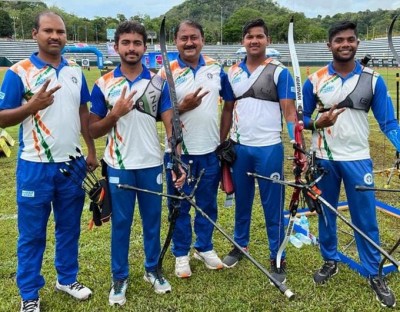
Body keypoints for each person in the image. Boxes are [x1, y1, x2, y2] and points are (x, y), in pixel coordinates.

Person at [0, 11, 97, 312]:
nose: (55, 36)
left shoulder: (75, 71)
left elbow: (84, 113)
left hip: (73, 164)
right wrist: (32, 106)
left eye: (61, 31)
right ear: (35, 34)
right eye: (48, 31)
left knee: (69, 228)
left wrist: (91, 150)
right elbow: (2, 116)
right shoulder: (19, 72)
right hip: (35, 166)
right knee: (32, 234)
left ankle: (66, 279)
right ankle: (29, 294)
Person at [89, 21, 185, 305]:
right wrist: (114, 114)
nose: (132, 48)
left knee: (152, 222)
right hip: (118, 165)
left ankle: (152, 270)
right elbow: (94, 130)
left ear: (145, 47)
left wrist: (176, 157)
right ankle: (120, 278)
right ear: (116, 46)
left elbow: (171, 124)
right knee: (121, 223)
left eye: (137, 43)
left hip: (151, 163)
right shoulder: (103, 83)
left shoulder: (158, 81)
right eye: (126, 43)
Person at [302, 21, 397, 308]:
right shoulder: (315, 80)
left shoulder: (373, 79)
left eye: (351, 40)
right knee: (327, 213)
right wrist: (318, 121)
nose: (345, 44)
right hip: (324, 159)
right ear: (329, 45)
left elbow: (389, 122)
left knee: (365, 218)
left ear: (357, 43)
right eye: (339, 40)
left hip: (358, 159)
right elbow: (301, 120)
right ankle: (330, 260)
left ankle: (373, 271)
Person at [220, 18, 297, 284]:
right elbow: (228, 109)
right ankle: (240, 245)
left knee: (272, 205)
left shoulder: (279, 72)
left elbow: (289, 111)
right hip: (240, 149)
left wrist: (297, 143)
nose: (254, 40)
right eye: (249, 36)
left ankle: (277, 254)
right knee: (242, 201)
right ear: (243, 41)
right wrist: (222, 143)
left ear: (268, 40)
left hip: (269, 149)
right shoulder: (232, 73)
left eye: (260, 36)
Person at [158, 19, 235, 278]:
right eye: (183, 38)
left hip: (209, 151)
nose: (189, 43)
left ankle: (204, 247)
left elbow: (229, 105)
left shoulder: (216, 68)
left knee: (207, 203)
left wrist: (222, 139)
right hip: (179, 152)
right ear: (176, 42)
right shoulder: (165, 72)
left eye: (194, 37)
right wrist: (182, 107)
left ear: (202, 39)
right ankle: (181, 253)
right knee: (179, 204)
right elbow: (158, 113)